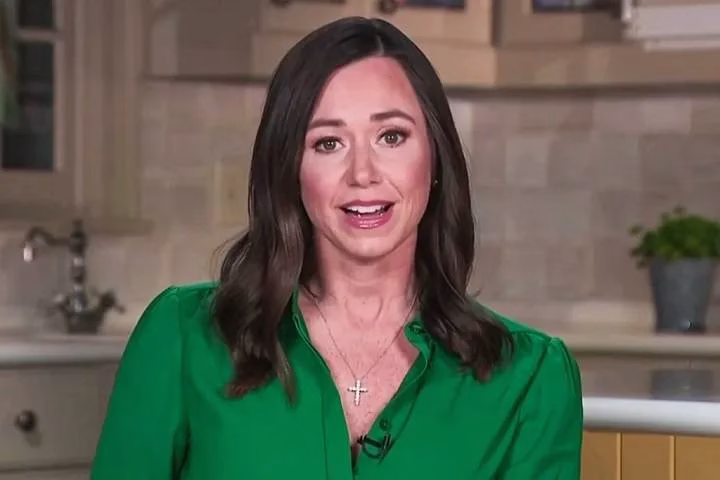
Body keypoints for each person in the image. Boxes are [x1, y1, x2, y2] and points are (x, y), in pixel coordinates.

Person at [90, 16, 583, 480]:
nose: (363, 174)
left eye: (392, 136)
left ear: (435, 159)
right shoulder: (184, 338)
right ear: (290, 170)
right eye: (328, 143)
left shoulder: (531, 378)